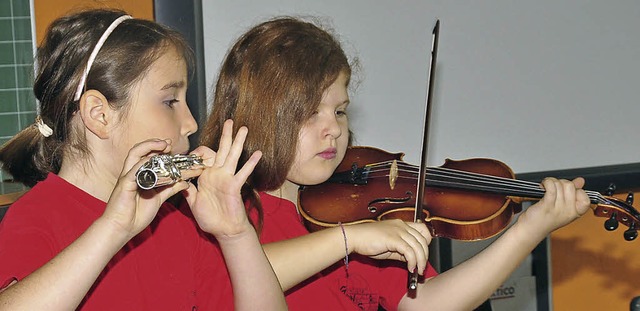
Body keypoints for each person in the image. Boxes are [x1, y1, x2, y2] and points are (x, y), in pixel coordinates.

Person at [201, 16, 591, 311]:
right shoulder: (219, 210)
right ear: (264, 113)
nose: (333, 130)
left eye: (339, 111)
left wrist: (528, 230)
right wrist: (348, 240)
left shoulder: (345, 209)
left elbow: (424, 304)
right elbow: (237, 279)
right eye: (309, 113)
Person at [0, 9, 287, 311]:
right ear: (100, 115)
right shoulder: (35, 218)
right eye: (170, 102)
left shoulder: (176, 219)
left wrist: (235, 235)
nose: (190, 123)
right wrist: (113, 229)